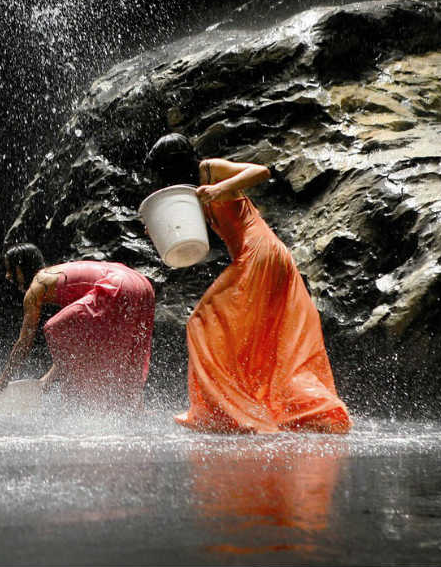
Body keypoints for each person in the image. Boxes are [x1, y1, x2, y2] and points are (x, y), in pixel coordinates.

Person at [145, 133, 351, 433]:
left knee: (201, 321)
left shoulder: (209, 170)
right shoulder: (190, 190)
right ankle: (250, 408)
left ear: (173, 164)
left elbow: (261, 171)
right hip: (259, 256)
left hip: (259, 253)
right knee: (260, 338)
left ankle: (225, 414)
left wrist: (221, 188)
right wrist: (159, 227)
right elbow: (186, 233)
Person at [0, 244, 155, 409]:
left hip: (117, 284)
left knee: (53, 328)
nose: (8, 276)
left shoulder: (37, 285)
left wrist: (3, 381)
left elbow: (25, 342)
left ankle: (85, 403)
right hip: (142, 285)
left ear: (19, 268)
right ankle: (135, 408)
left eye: (10, 270)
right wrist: (47, 380)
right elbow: (71, 345)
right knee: (129, 349)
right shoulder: (57, 276)